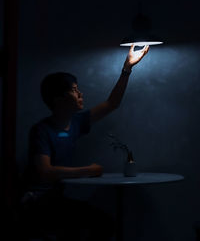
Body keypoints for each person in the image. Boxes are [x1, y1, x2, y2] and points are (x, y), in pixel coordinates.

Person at [20, 44, 149, 241]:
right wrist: (88, 170)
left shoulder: (76, 123)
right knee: (95, 224)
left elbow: (111, 103)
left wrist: (127, 68)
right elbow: (45, 171)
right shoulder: (42, 131)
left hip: (56, 200)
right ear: (58, 99)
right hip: (36, 202)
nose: (80, 94)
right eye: (74, 90)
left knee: (101, 223)